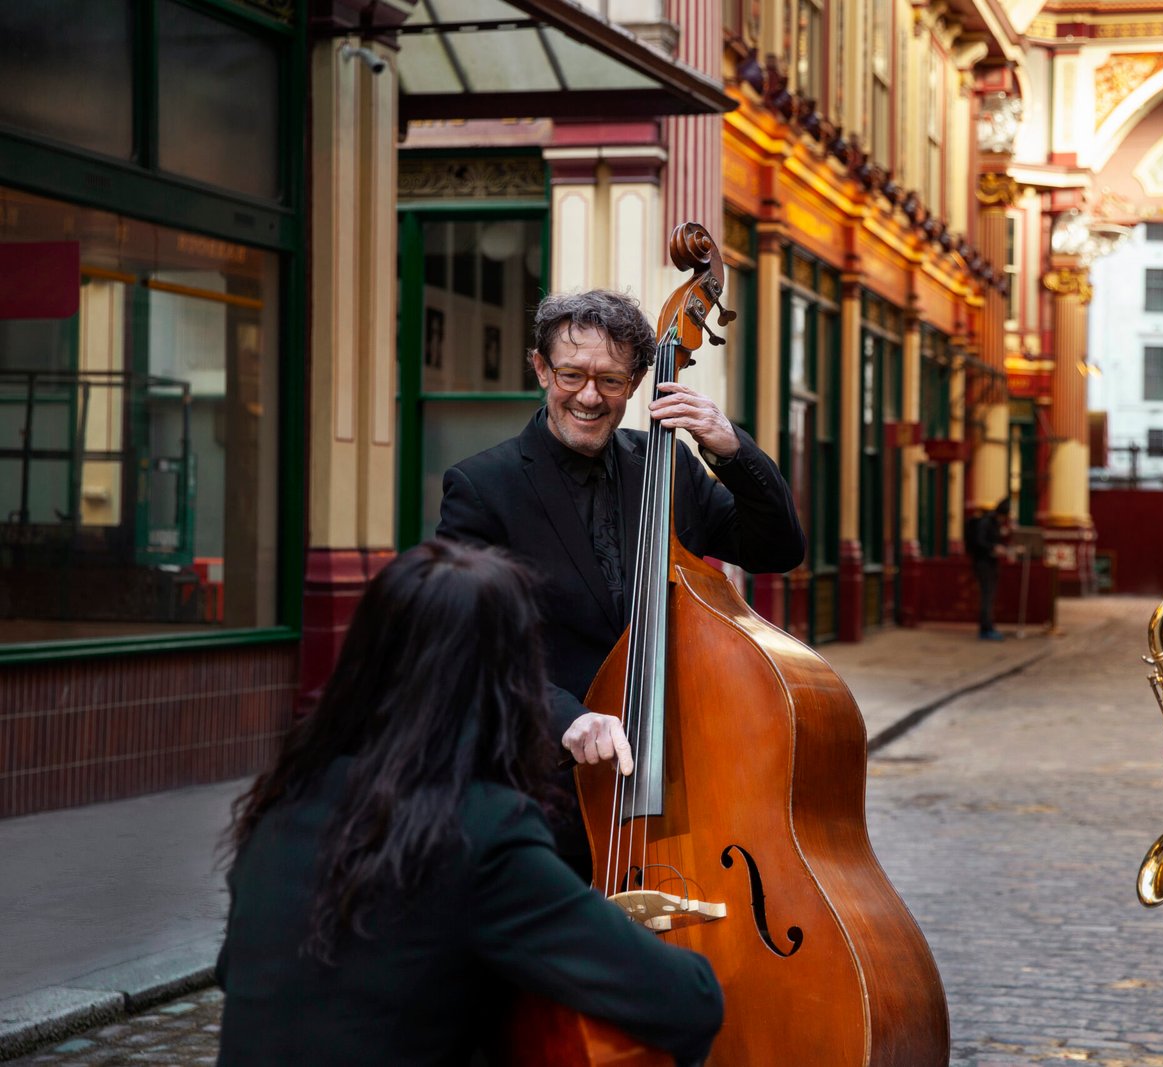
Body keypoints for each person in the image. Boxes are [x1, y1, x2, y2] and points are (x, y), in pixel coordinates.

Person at [216, 540, 723, 1066]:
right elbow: (691, 999)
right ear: (511, 685)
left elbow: (235, 972)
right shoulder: (480, 831)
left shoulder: (287, 798)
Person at [436, 289, 806, 876]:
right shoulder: (483, 488)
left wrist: (732, 451)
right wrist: (568, 719)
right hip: (545, 783)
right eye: (571, 374)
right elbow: (467, 643)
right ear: (540, 369)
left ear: (635, 384)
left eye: (609, 380)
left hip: (673, 774)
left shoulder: (671, 466)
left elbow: (777, 548)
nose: (589, 396)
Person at [966, 497, 1010, 641]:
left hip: (990, 563)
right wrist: (993, 548)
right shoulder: (986, 522)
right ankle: (985, 628)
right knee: (987, 595)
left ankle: (988, 626)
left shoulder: (994, 523)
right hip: (983, 563)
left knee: (990, 596)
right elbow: (980, 542)